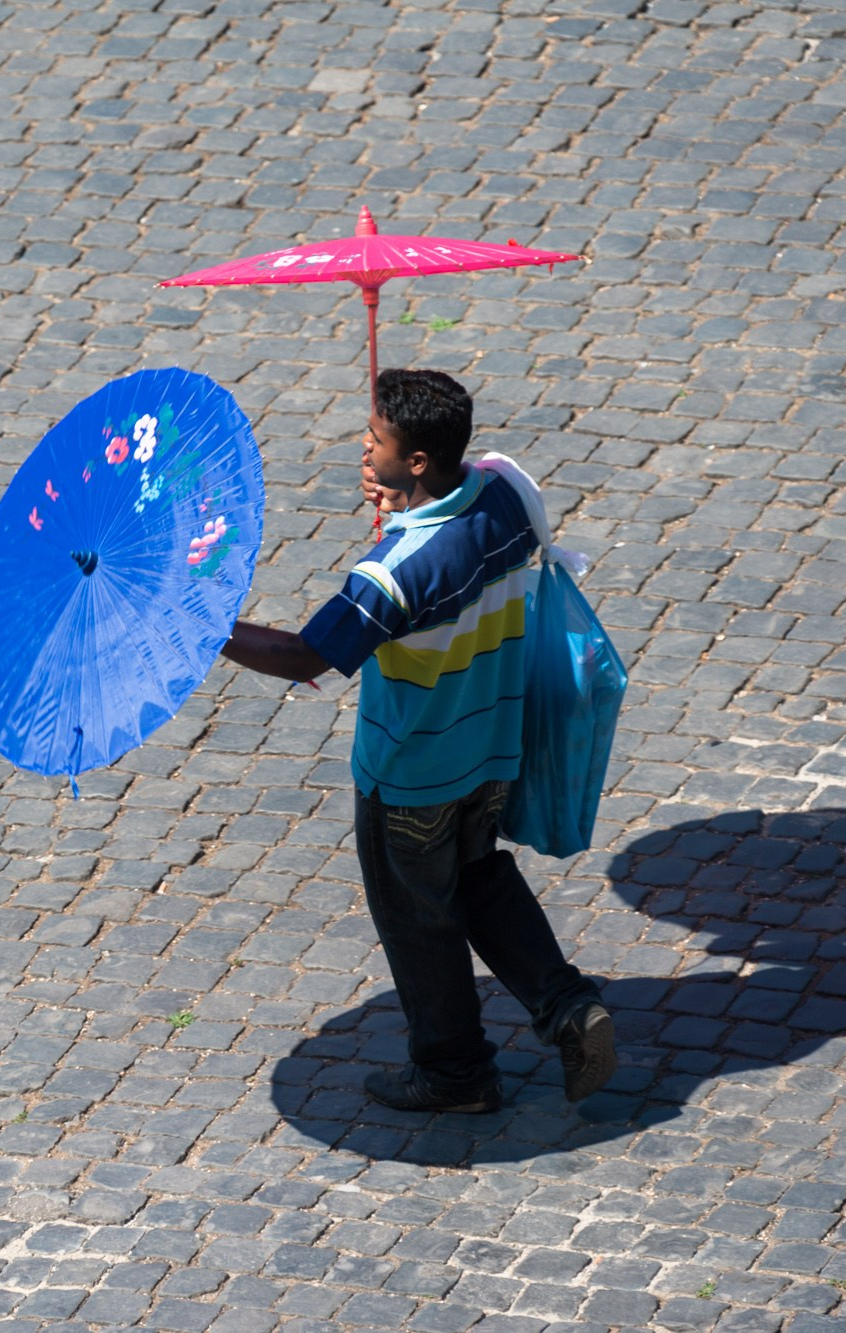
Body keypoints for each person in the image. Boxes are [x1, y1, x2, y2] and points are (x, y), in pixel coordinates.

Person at [221, 368, 615, 1113]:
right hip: (492, 749)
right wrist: (404, 504)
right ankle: (567, 1005)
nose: (364, 452)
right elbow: (457, 511)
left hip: (410, 776)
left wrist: (202, 627)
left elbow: (306, 656)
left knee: (417, 918)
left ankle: (454, 1072)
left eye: (377, 442)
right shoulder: (506, 494)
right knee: (478, 877)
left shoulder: (395, 574)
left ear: (419, 459)